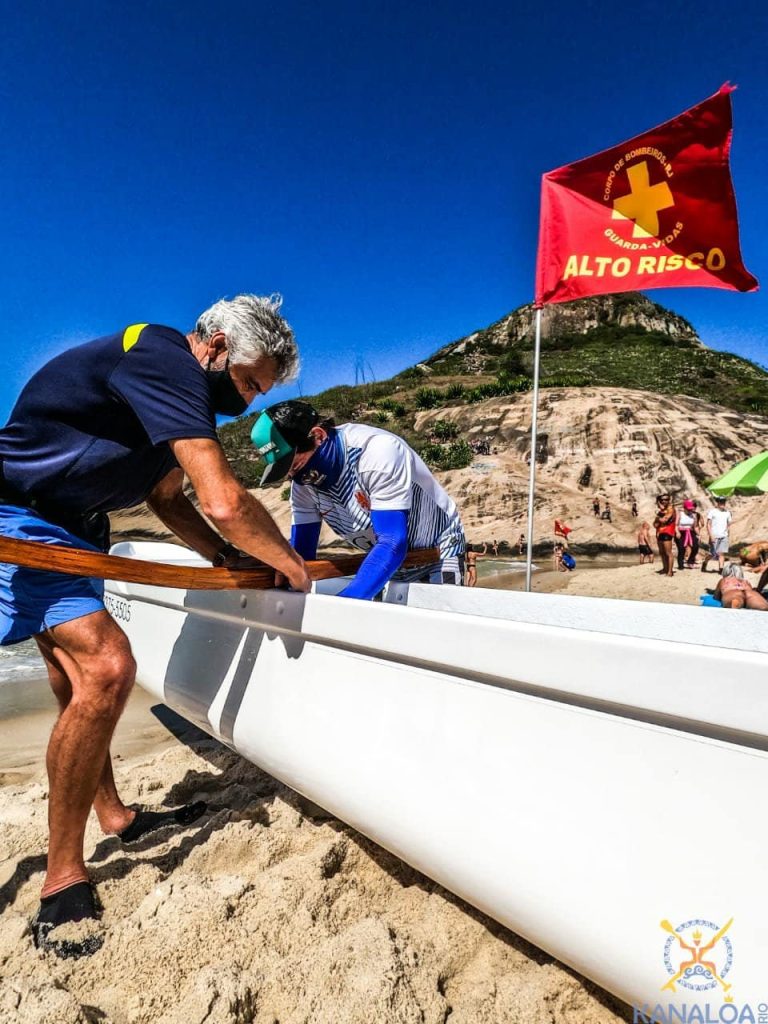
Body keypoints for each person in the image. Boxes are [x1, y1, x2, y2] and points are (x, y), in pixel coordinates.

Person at [0, 294, 311, 953]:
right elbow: (224, 500)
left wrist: (225, 560)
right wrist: (289, 565)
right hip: (15, 516)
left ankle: (113, 815)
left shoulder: (176, 395)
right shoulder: (162, 356)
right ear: (218, 348)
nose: (250, 403)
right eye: (251, 383)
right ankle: (60, 880)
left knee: (71, 677)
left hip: (77, 528)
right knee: (108, 666)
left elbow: (167, 498)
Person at [251, 400, 466, 597]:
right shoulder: (302, 484)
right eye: (287, 473)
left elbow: (393, 542)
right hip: (385, 559)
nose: (296, 479)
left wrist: (345, 605)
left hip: (436, 551)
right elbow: (302, 555)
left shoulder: (378, 452)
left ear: (318, 436)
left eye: (296, 465)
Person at [702, 496, 732, 573]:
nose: (722, 503)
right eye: (721, 502)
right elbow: (708, 524)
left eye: (723, 502)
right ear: (717, 503)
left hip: (724, 536)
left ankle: (721, 569)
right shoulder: (712, 512)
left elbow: (728, 524)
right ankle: (705, 563)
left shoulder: (727, 513)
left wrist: (728, 534)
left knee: (721, 553)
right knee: (712, 554)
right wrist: (711, 535)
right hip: (714, 535)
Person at [654, 494, 676, 577]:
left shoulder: (671, 509)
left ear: (669, 500)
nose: (664, 501)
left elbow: (664, 520)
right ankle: (665, 568)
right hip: (660, 532)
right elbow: (655, 525)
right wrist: (659, 517)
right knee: (662, 552)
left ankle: (670, 571)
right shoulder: (661, 511)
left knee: (668, 553)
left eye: (666, 499)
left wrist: (658, 517)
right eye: (662, 500)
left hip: (668, 532)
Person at [676, 499, 697, 569]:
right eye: (688, 509)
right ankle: (680, 564)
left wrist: (698, 535)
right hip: (681, 531)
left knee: (695, 547)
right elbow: (676, 525)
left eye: (691, 509)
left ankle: (690, 561)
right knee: (681, 549)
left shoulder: (693, 515)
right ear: (684, 508)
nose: (690, 511)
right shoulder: (680, 514)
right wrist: (677, 532)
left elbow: (695, 527)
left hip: (690, 531)